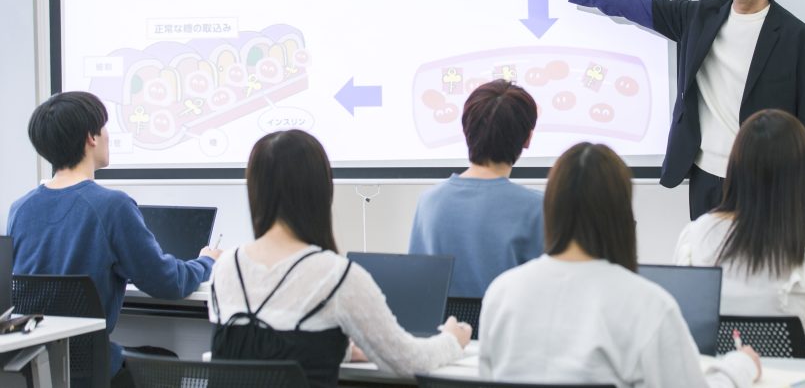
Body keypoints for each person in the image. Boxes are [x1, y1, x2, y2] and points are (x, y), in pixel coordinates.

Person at [519, 0, 805, 219]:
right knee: (706, 254)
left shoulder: (798, 39)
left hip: (767, 181)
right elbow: (632, 2)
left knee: (765, 256)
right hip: (707, 178)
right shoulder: (699, 18)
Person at [479, 142, 760, 388]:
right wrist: (740, 367)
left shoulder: (502, 294)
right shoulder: (649, 305)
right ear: (620, 211)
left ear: (551, 207)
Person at [209, 129, 470, 388]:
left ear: (255, 190)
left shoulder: (225, 267)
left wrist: (339, 350)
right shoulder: (336, 275)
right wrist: (451, 340)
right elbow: (407, 361)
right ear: (320, 190)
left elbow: (264, 346)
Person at [6, 91, 219, 384]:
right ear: (91, 137)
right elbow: (168, 282)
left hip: (35, 367)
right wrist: (206, 261)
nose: (108, 135)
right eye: (104, 127)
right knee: (165, 361)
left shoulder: (20, 209)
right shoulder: (112, 206)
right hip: (90, 368)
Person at [674, 109, 805, 348]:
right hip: (785, 372)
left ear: (735, 165)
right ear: (800, 171)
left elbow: (683, 323)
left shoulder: (696, 233)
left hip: (719, 370)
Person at [408, 79, 543, 297]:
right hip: (508, 319)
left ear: (466, 130)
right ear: (527, 138)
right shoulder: (538, 208)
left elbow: (418, 289)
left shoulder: (429, 202)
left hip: (445, 321)